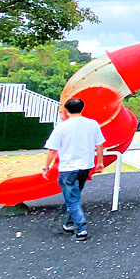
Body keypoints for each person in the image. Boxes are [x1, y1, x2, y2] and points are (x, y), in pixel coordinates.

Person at [42, 98, 106, 242]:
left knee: (72, 198)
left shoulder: (62, 127)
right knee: (74, 196)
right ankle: (69, 223)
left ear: (66, 110)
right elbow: (99, 145)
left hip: (68, 167)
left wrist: (46, 167)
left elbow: (52, 149)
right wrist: (100, 162)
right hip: (86, 165)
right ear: (82, 108)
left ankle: (81, 228)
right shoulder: (92, 124)